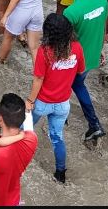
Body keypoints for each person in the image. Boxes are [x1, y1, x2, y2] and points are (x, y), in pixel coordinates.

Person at [24, 13, 84, 184]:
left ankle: (17, 159)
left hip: (42, 102)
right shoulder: (77, 48)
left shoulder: (45, 51)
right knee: (57, 137)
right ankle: (60, 172)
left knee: (25, 130)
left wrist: (29, 101)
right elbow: (80, 71)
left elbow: (38, 79)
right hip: (63, 104)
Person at [61, 0, 107, 141]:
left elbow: (63, 41)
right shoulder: (102, 0)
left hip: (75, 60)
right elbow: (102, 26)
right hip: (92, 55)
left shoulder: (70, 12)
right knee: (76, 84)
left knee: (72, 86)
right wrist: (100, 48)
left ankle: (93, 124)